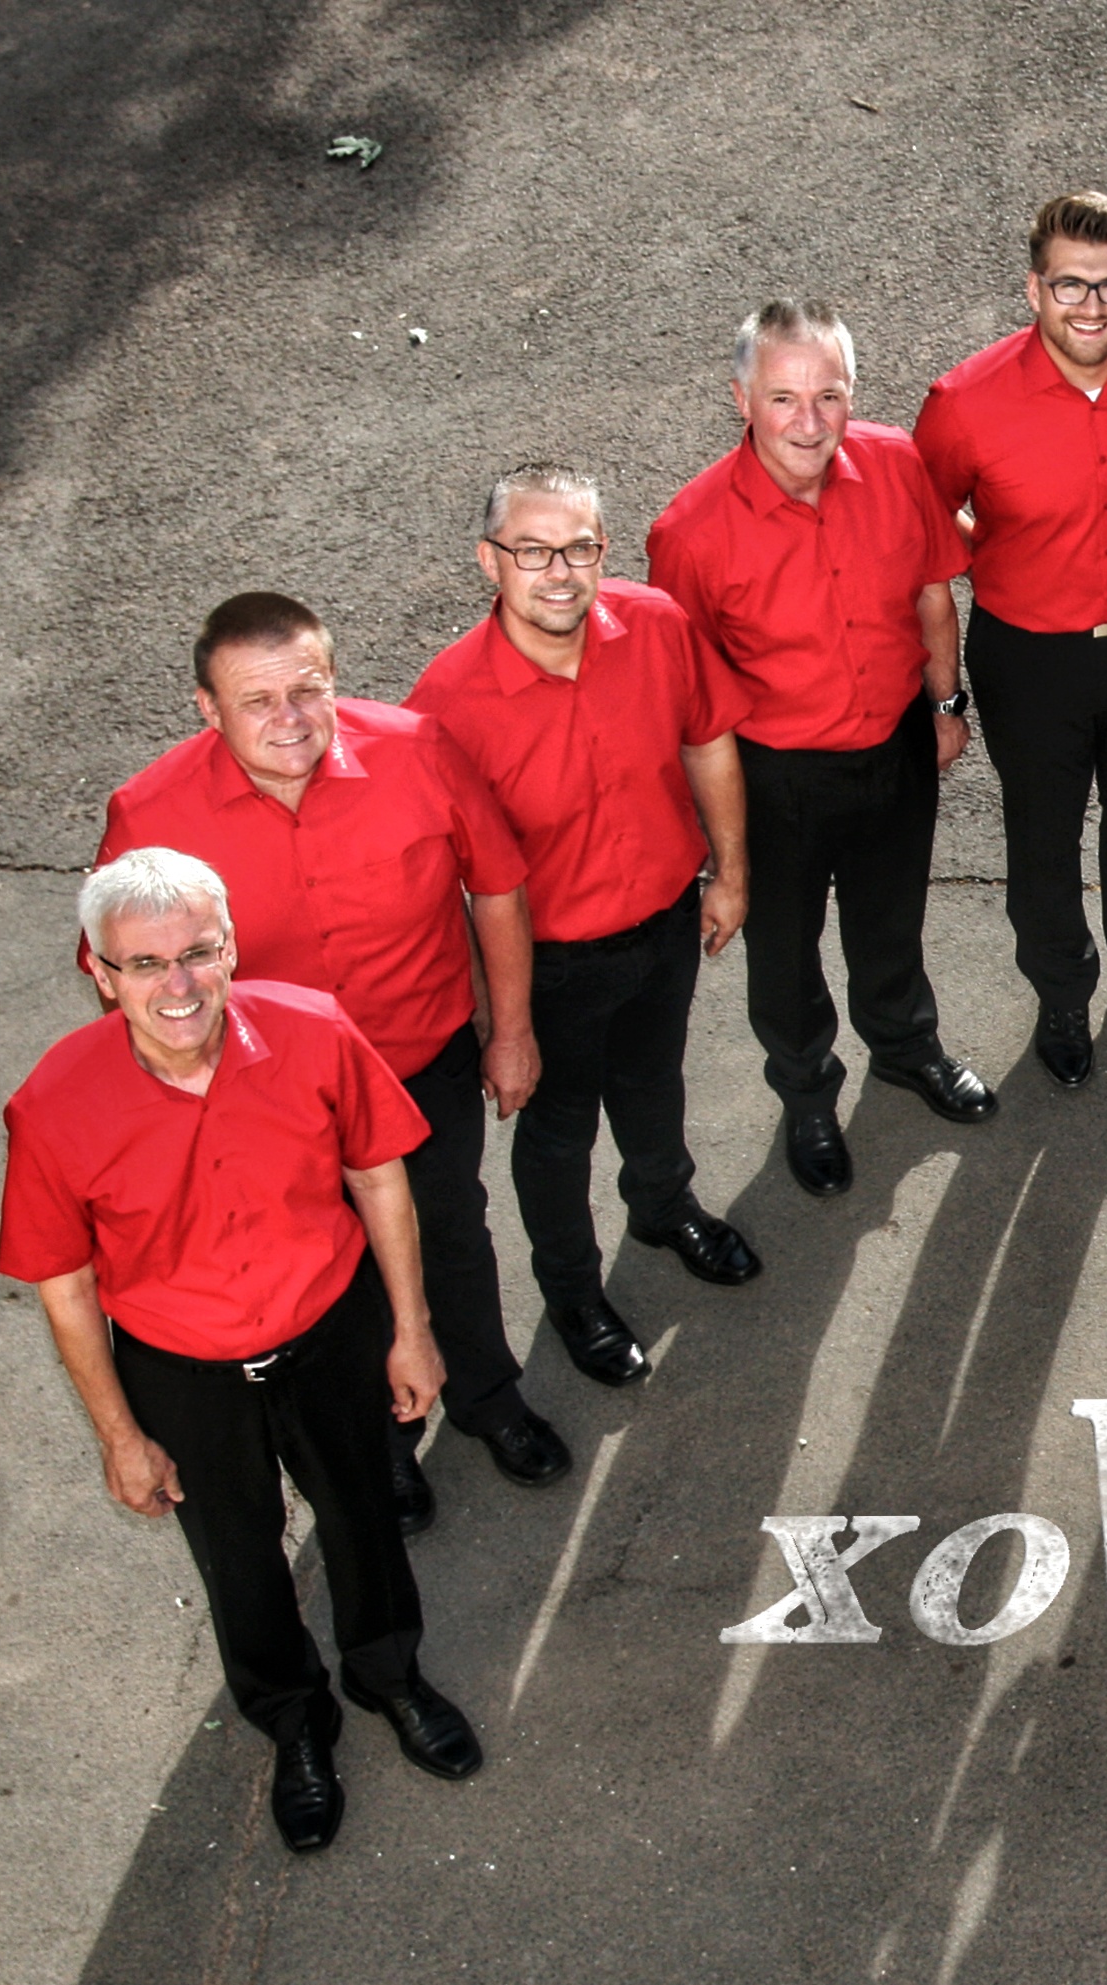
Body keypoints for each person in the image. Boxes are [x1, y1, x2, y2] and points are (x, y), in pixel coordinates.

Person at [0, 849, 487, 1855]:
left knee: (366, 1519)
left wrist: (411, 1331)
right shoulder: (53, 1103)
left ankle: (388, 1677)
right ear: (101, 973)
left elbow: (380, 1179)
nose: (176, 984)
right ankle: (294, 1721)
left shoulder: (317, 1030)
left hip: (332, 1337)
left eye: (197, 952)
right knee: (239, 1561)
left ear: (230, 949)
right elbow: (68, 1286)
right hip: (182, 1377)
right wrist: (120, 1436)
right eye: (144, 963)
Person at [98, 594, 568, 1532]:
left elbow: (497, 886)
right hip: (276, 1101)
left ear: (334, 679)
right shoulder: (149, 815)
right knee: (337, 1276)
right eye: (256, 701)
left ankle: (487, 1398)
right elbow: (123, 980)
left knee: (451, 1231)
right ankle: (382, 1442)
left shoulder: (417, 750)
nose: (290, 719)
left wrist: (511, 1030)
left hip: (421, 1066)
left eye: (307, 690)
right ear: (207, 708)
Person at [406, 464, 763, 1387]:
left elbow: (706, 741)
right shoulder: (443, 707)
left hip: (666, 925)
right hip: (549, 965)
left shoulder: (656, 625)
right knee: (558, 1138)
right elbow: (446, 885)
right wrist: (502, 1023)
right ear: (490, 561)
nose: (559, 572)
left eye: (579, 548)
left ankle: (663, 1208)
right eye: (532, 551)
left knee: (653, 1085)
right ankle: (572, 1293)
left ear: (603, 551)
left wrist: (730, 873)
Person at [649, 298, 989, 1195]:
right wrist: (719, 849)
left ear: (851, 394)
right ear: (742, 400)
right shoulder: (688, 535)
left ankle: (905, 1046)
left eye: (828, 396)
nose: (810, 423)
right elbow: (688, 708)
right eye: (784, 399)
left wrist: (946, 702)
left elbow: (932, 593)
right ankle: (806, 1095)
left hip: (897, 744)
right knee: (784, 954)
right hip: (776, 779)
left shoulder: (896, 463)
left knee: (891, 918)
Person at [916, 191, 1107, 1085]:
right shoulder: (964, 401)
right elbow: (923, 519)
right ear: (1034, 288)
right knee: (1041, 833)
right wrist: (997, 549)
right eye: (1069, 286)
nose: (1092, 306)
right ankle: (1060, 995)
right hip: (1030, 656)